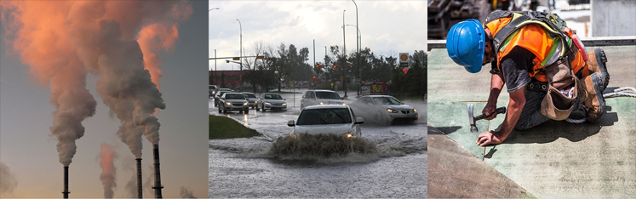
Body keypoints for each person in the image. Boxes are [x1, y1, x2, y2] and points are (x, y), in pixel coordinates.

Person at [446, 10, 610, 147]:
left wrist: (500, 135)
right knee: (520, 84)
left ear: (486, 46)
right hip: (566, 50)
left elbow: (517, 102)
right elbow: (497, 64)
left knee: (522, 121)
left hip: (564, 67)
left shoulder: (512, 55)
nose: (481, 64)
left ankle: (585, 91)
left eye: (479, 60)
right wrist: (492, 101)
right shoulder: (492, 22)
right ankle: (591, 63)